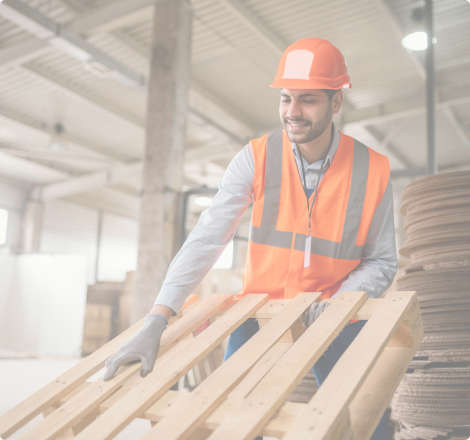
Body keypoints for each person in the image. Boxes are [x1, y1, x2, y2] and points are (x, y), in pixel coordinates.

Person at [103, 38, 397, 440]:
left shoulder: (373, 168)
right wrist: (158, 317)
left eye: (307, 99)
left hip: (336, 310)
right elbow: (208, 238)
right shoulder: (257, 156)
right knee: (234, 424)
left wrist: (337, 303)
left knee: (368, 421)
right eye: (285, 98)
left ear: (336, 103)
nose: (292, 112)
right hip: (260, 311)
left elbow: (382, 261)